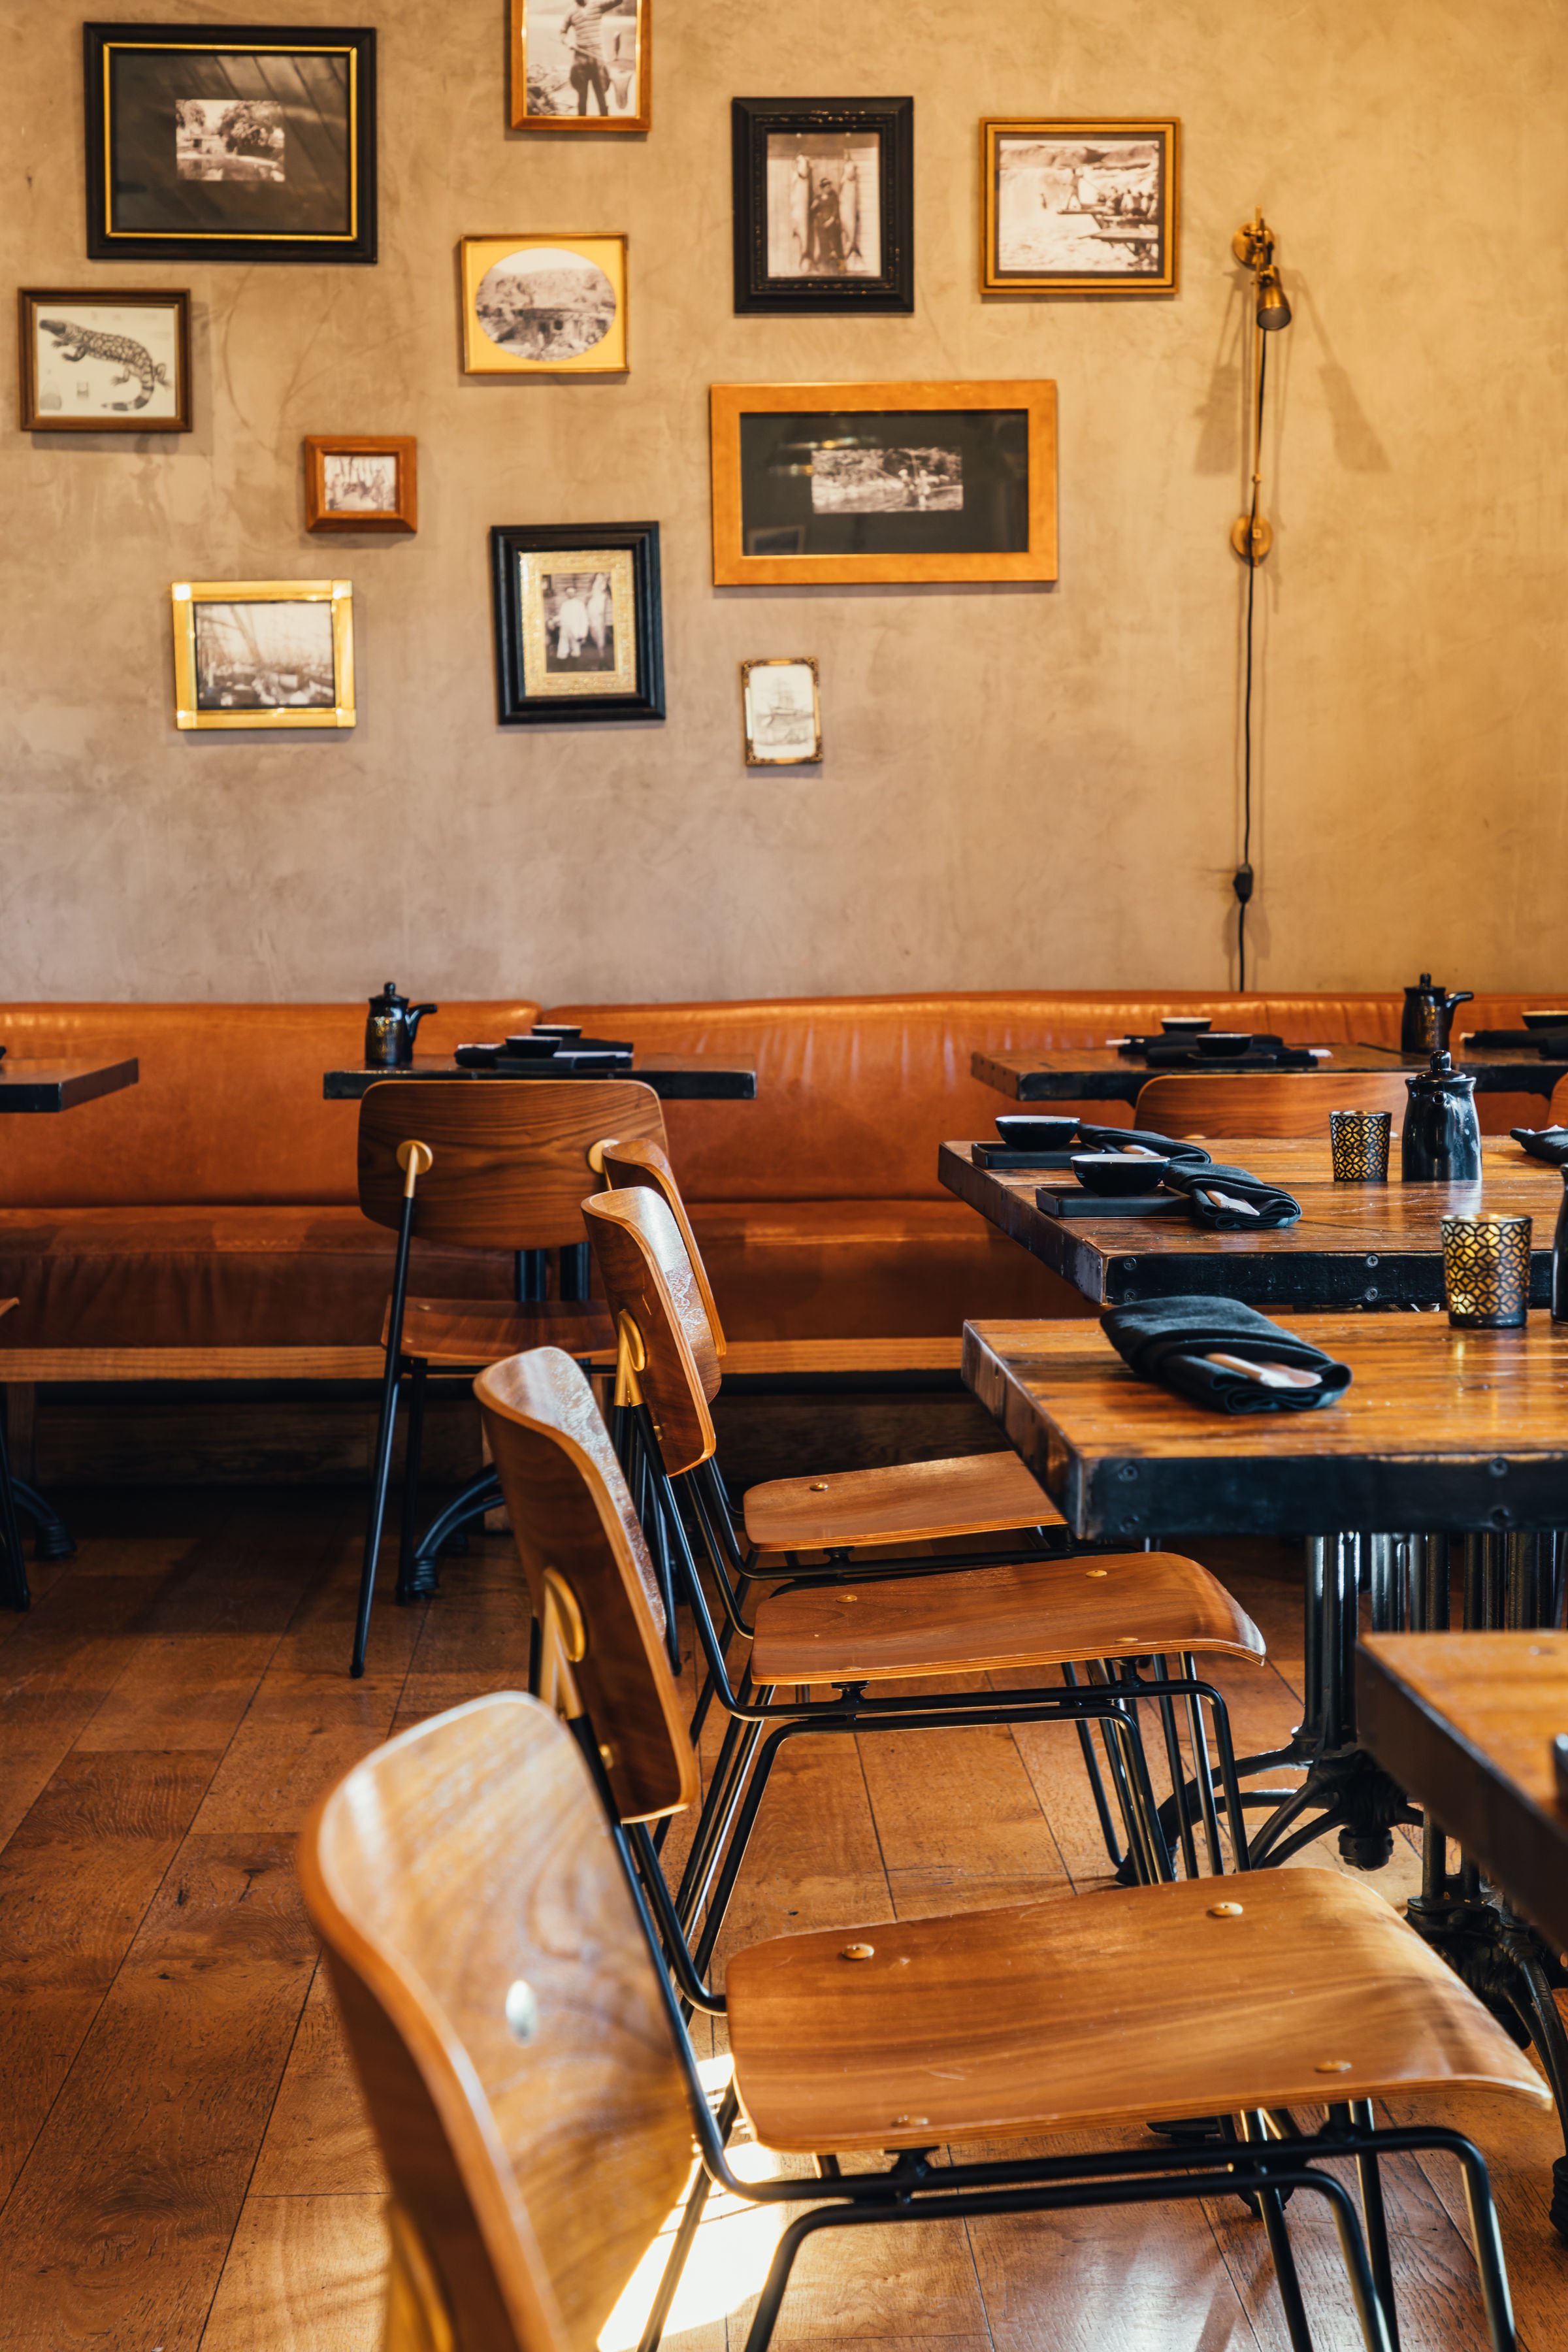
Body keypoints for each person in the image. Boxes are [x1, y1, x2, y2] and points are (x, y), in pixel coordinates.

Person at [559, 0, 613, 116]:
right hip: (580, 57)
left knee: (601, 93)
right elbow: (562, 33)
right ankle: (581, 123)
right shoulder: (571, 12)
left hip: (598, 57)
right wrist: (569, 42)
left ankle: (605, 122)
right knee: (582, 94)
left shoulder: (598, 5)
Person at [553, 583, 589, 662]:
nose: (570, 594)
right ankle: (562, 659)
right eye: (568, 593)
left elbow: (584, 619)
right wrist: (554, 619)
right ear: (566, 594)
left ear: (575, 593)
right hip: (565, 627)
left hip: (575, 628)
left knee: (575, 646)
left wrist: (583, 633)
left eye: (572, 593)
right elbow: (561, 616)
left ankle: (575, 661)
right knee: (563, 643)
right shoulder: (565, 604)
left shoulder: (579, 604)